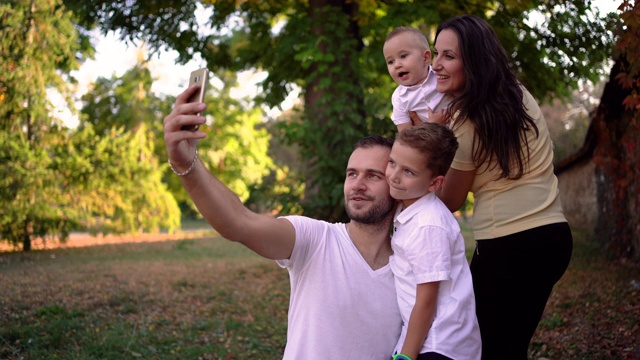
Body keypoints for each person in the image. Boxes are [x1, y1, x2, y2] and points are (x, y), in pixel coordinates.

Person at [163, 86, 402, 359]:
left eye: (373, 176)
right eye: (351, 174)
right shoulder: (315, 239)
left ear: (398, 185)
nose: (357, 185)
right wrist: (186, 164)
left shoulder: (413, 267)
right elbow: (238, 223)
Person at [426, 15, 574, 359]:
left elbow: (449, 200)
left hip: (508, 247)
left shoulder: (465, 122)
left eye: (448, 56)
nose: (436, 65)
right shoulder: (520, 97)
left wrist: (432, 139)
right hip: (553, 239)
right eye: (435, 54)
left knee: (488, 348)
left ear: (474, 61)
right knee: (511, 344)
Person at [385, 123, 481, 360]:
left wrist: (406, 356)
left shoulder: (429, 225)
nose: (394, 177)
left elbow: (427, 300)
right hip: (427, 339)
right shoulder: (408, 207)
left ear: (435, 184)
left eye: (409, 172)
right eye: (392, 163)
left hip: (440, 345)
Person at [383, 26, 452, 131]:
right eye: (390, 62)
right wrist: (434, 125)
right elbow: (406, 138)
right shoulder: (399, 98)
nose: (397, 65)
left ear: (425, 57)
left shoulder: (440, 76)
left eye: (403, 56)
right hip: (436, 142)